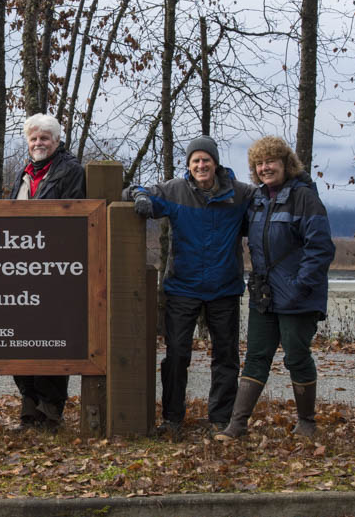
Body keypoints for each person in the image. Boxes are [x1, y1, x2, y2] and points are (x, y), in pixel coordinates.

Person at [123, 135, 254, 437]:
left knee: (226, 356)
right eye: (195, 160)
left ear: (215, 162)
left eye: (205, 159)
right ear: (189, 165)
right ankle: (172, 419)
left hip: (224, 289)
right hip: (183, 287)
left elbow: (268, 199)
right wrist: (141, 198)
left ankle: (221, 419)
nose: (200, 164)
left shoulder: (239, 194)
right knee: (177, 354)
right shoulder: (175, 190)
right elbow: (136, 189)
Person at [216, 136, 335, 441]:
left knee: (296, 356)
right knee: (256, 356)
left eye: (271, 161)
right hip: (264, 294)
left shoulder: (305, 198)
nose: (265, 168)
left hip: (299, 295)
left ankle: (307, 422)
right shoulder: (256, 199)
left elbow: (320, 248)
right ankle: (237, 425)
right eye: (259, 163)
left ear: (285, 164)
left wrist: (300, 286)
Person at [8, 113, 85, 430]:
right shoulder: (24, 174)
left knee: (52, 339)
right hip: (20, 271)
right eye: (34, 138)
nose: (38, 143)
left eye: (44, 138)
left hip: (56, 271)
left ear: (56, 141)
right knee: (19, 337)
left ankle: (50, 410)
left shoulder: (71, 172)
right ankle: (29, 405)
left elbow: (76, 219)